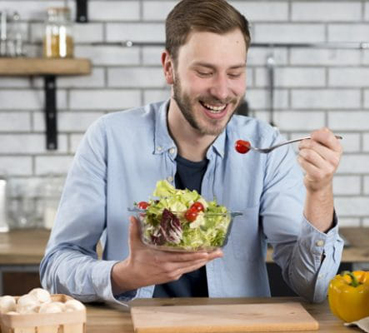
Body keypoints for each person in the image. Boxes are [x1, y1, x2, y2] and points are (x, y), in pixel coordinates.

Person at [40, 0, 344, 305]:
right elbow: (56, 267)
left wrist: (320, 191)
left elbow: (313, 286)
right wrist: (125, 274)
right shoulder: (108, 138)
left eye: (235, 73)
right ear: (169, 68)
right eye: (205, 72)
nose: (223, 91)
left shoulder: (266, 147)